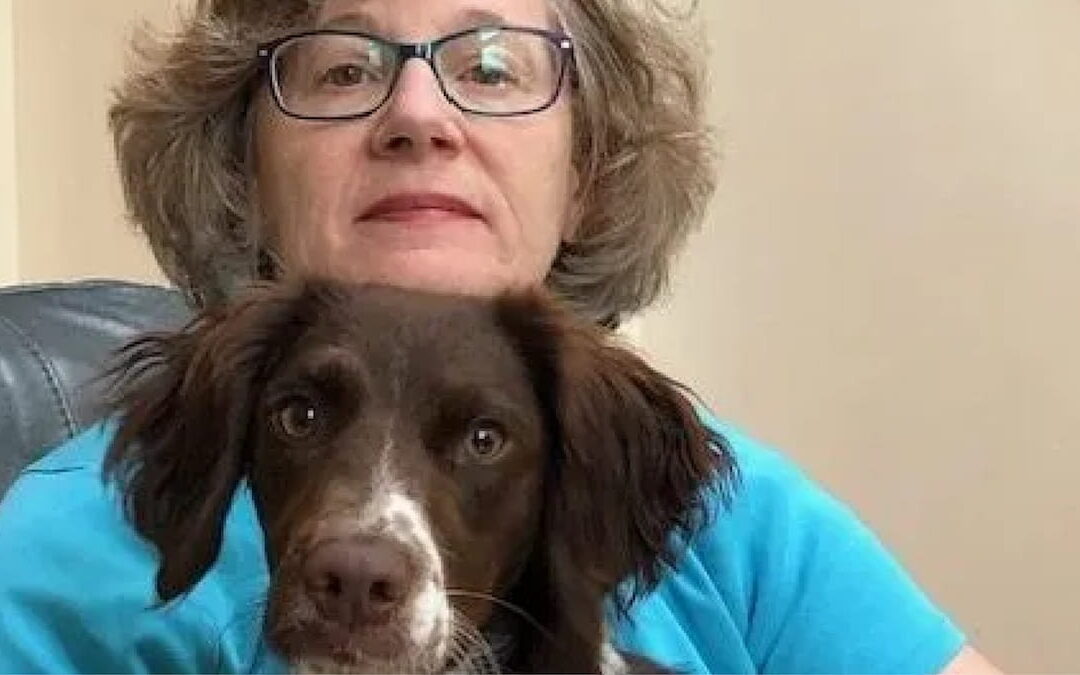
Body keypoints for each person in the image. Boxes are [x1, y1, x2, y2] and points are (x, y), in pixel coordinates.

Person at [0, 0, 1000, 672]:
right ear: (242, 172)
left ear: (587, 175)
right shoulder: (52, 564)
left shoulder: (754, 529)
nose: (418, 114)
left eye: (492, 65)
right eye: (345, 68)